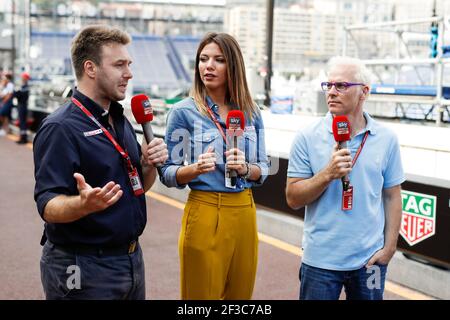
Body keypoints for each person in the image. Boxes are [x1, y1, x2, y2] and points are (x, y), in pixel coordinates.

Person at [33, 25, 168, 300]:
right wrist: (82, 205)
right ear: (91, 68)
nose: (128, 73)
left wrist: (148, 164)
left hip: (130, 260)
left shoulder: (119, 119)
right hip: (81, 264)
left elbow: (138, 186)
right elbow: (48, 205)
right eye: (119, 65)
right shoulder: (60, 128)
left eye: (129, 64)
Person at [160, 32, 269, 300]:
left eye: (218, 60)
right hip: (205, 209)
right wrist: (194, 169)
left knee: (240, 298)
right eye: (203, 59)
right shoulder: (183, 112)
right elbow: (167, 172)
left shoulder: (251, 112)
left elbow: (264, 168)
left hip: (245, 210)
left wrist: (245, 168)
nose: (208, 66)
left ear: (233, 66)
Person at [285, 56, 404, 300]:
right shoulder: (307, 136)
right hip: (320, 262)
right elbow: (293, 198)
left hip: (370, 262)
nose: (331, 92)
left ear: (364, 92)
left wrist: (389, 248)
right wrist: (327, 174)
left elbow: (392, 196)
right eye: (328, 85)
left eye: (341, 86)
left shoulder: (387, 139)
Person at [15, 72, 30, 144]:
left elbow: (18, 95)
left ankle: (23, 138)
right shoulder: (24, 86)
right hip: (22, 105)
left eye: (23, 77)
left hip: (22, 106)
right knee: (22, 122)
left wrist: (17, 92)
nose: (22, 78)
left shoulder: (25, 87)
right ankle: (22, 137)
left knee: (22, 122)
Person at [0, 72, 14, 136]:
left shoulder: (10, 85)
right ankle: (7, 130)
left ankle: (4, 129)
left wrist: (3, 102)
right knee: (7, 116)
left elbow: (9, 95)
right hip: (4, 102)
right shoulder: (5, 85)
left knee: (2, 114)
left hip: (7, 102)